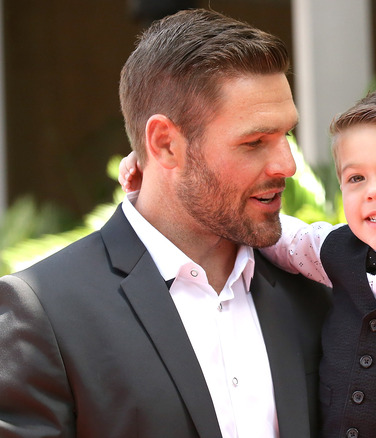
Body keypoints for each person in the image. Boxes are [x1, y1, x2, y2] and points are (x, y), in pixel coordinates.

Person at [0, 9, 330, 438]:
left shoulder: (316, 288)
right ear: (165, 144)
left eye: (287, 134)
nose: (287, 164)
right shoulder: (42, 314)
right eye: (254, 142)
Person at [120, 86, 376, 437]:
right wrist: (158, 180)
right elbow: (268, 233)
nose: (374, 191)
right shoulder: (334, 248)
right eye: (356, 178)